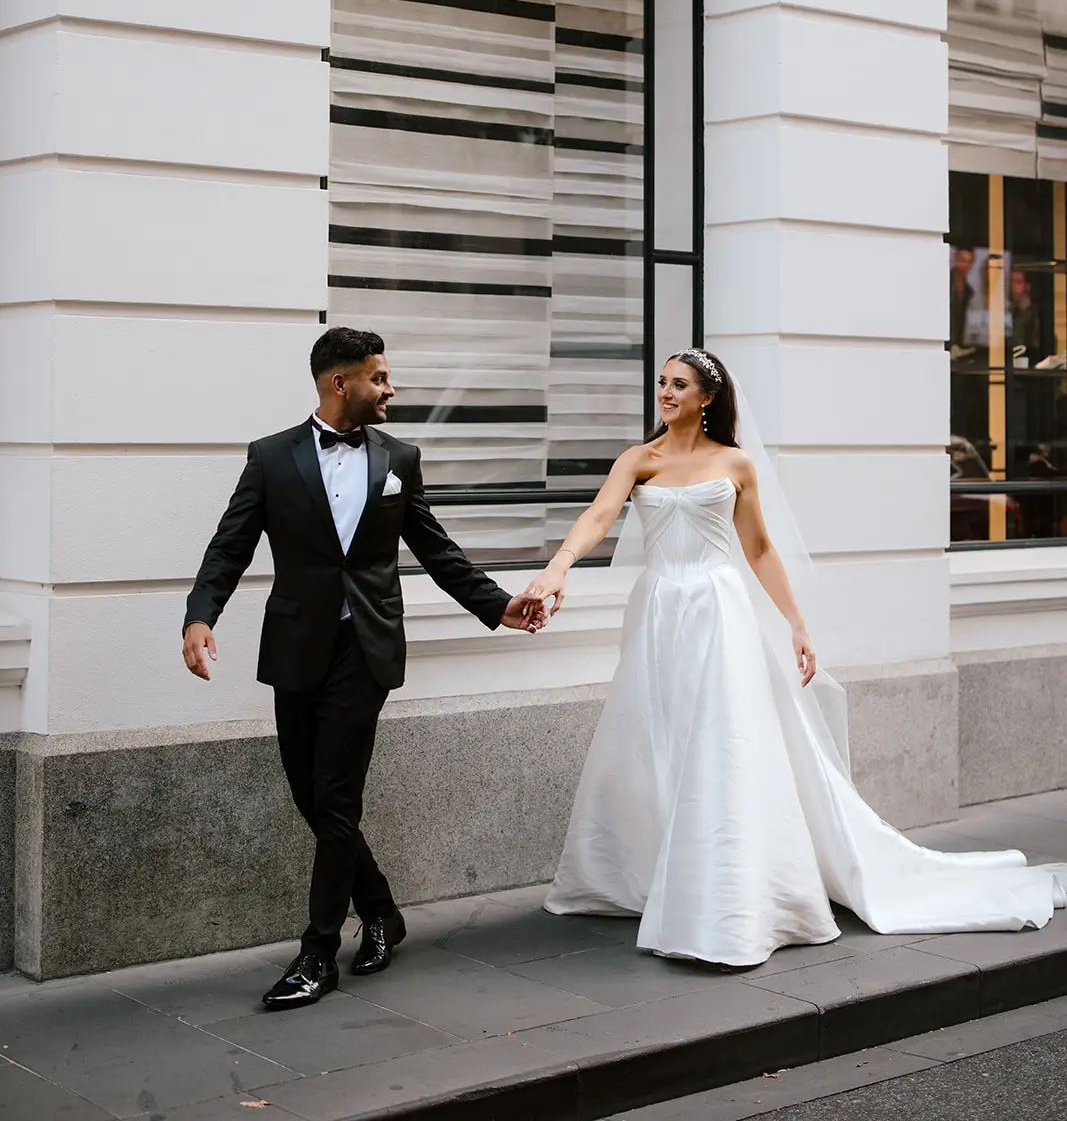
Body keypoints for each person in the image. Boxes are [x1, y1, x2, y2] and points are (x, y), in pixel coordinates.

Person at [531, 348, 1065, 967]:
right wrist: (559, 566)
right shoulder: (638, 459)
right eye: (662, 382)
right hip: (658, 609)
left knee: (718, 740)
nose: (666, 393)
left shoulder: (733, 462)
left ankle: (726, 890)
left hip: (716, 609)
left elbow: (758, 548)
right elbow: (598, 516)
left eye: (679, 385)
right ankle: (651, 871)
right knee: (652, 732)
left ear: (708, 397)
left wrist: (797, 623)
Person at [181, 327, 546, 1010]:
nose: (391, 389)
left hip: (365, 651)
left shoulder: (399, 456)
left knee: (336, 796)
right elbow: (228, 545)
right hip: (296, 649)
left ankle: (318, 953)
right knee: (312, 799)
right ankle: (380, 909)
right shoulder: (271, 458)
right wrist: (200, 615)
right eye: (379, 377)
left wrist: (500, 607)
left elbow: (438, 551)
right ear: (339, 383)